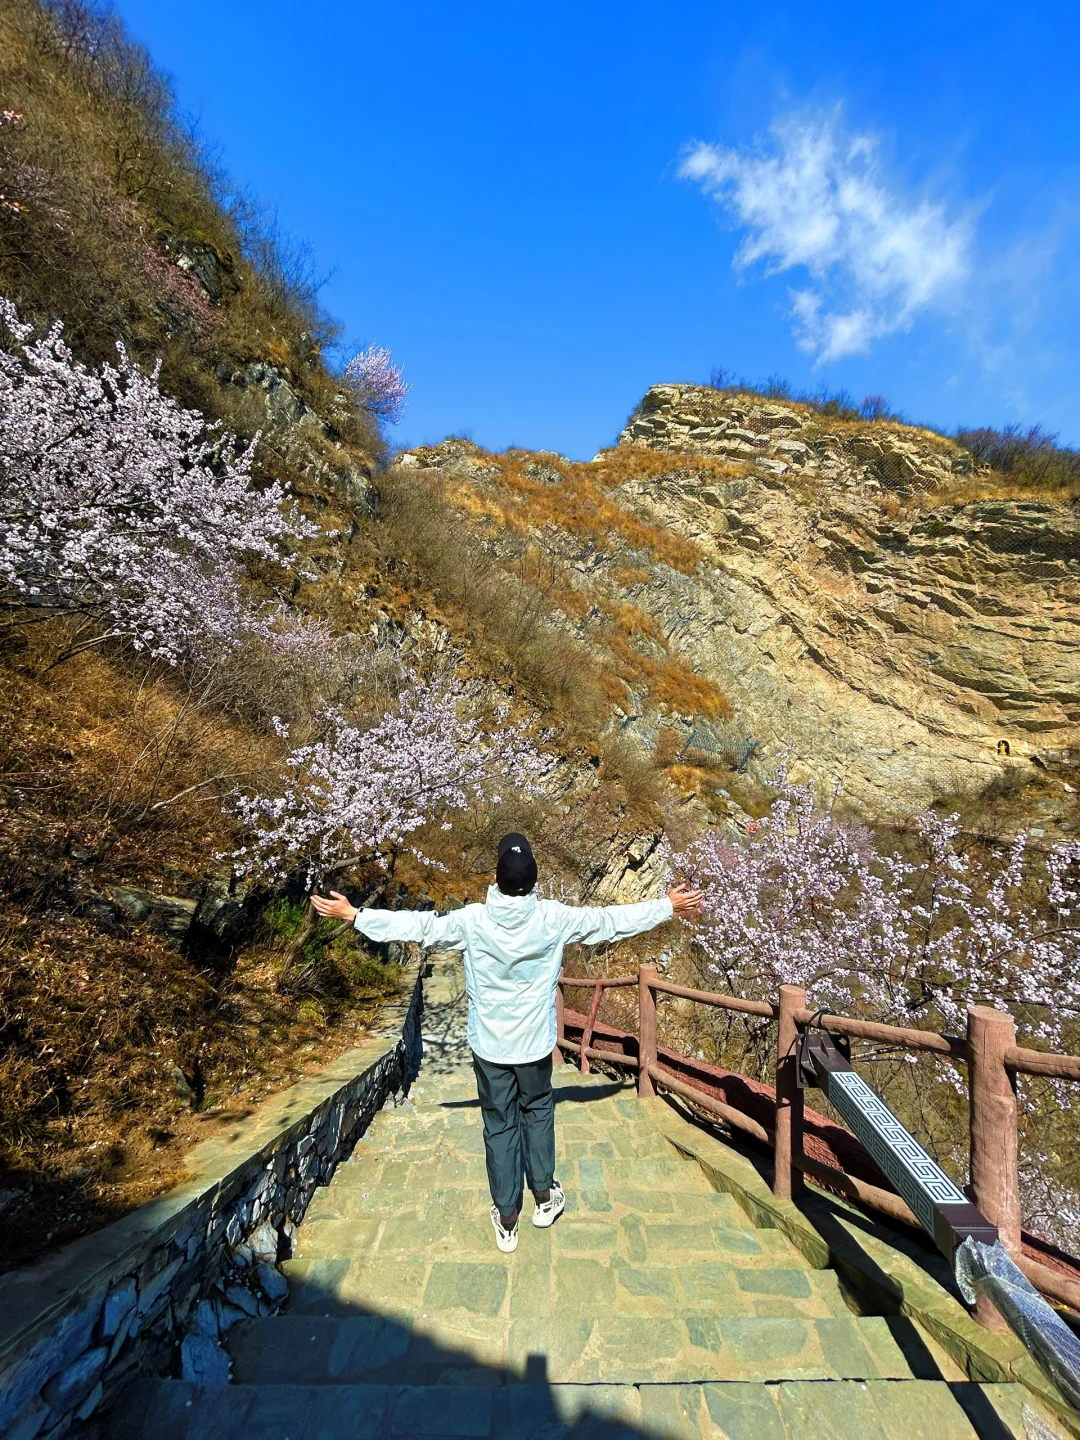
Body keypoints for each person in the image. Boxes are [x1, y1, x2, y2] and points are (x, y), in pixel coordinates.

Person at [311, 833, 705, 1253]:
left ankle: (506, 1216)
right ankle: (544, 1198)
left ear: (496, 879)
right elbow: (608, 921)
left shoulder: (473, 921)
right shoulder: (554, 918)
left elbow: (419, 927)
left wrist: (357, 915)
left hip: (490, 1046)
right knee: (537, 1112)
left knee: (499, 1125)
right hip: (535, 1044)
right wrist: (667, 906)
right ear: (534, 880)